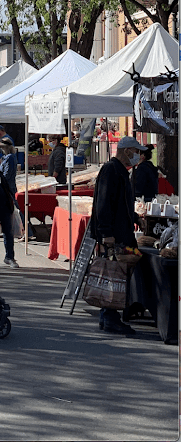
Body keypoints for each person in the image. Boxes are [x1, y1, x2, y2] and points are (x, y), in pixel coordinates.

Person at [89, 136, 146, 334]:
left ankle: (109, 316)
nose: (138, 155)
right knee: (115, 274)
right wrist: (106, 234)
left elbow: (119, 204)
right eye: (136, 151)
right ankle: (110, 316)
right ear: (126, 151)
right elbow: (104, 204)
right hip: (114, 234)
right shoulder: (111, 170)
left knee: (116, 273)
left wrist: (136, 217)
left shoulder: (120, 171)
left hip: (121, 232)